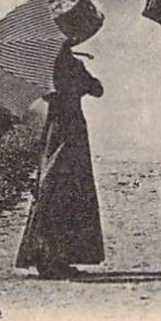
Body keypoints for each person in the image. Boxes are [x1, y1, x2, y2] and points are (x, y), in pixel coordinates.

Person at [16, 44, 105, 279]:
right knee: (69, 188)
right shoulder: (74, 66)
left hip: (54, 128)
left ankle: (47, 256)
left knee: (51, 185)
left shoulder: (47, 68)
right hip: (72, 129)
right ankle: (58, 258)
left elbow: (44, 94)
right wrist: (81, 76)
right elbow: (97, 90)